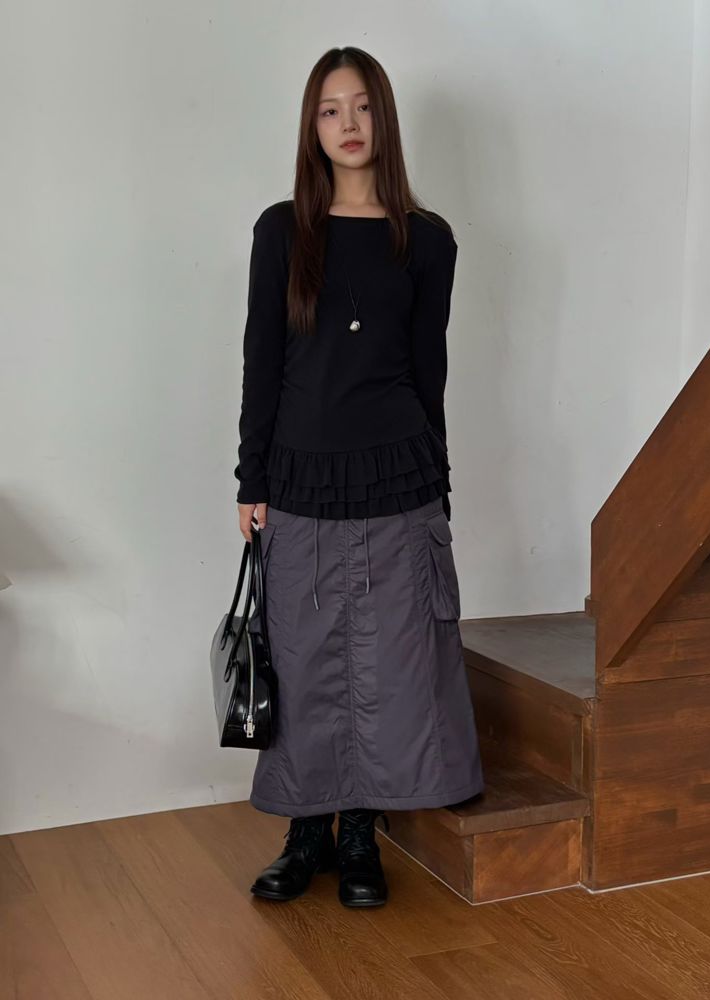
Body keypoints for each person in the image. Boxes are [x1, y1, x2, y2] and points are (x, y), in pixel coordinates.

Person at [234, 46, 485, 908]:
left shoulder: (428, 240)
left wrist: (438, 488)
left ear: (385, 118)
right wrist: (250, 481)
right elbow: (262, 364)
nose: (348, 124)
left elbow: (427, 371)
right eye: (330, 109)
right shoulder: (281, 231)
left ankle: (359, 839)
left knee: (388, 667)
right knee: (304, 662)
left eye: (363, 106)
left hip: (396, 478)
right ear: (312, 126)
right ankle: (305, 836)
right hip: (301, 480)